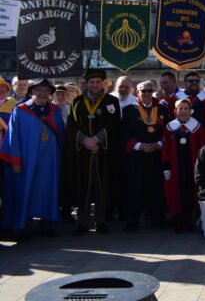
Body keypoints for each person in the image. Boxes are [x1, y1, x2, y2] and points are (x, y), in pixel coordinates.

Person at [0, 79, 65, 237]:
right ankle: (23, 225)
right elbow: (12, 138)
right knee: (25, 191)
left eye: (46, 90)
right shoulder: (20, 110)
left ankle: (48, 222)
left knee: (48, 190)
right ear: (31, 92)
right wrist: (15, 161)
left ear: (50, 93)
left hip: (50, 161)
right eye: (38, 90)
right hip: (26, 160)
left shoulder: (55, 110)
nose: (42, 93)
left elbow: (61, 136)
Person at [63, 69, 121, 236]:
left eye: (98, 82)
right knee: (82, 187)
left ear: (103, 83)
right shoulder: (77, 102)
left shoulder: (112, 101)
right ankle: (82, 222)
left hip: (103, 151)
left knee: (102, 186)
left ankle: (101, 221)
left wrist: (97, 140)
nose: (95, 85)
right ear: (86, 84)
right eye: (91, 82)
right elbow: (71, 126)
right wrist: (84, 140)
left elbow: (113, 124)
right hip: (82, 153)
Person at [120, 80, 167, 232]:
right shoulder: (129, 110)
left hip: (156, 154)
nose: (146, 94)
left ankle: (156, 218)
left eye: (149, 90)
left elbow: (168, 131)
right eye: (143, 91)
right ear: (137, 93)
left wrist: (159, 144)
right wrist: (139, 146)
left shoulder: (162, 109)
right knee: (135, 187)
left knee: (156, 186)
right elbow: (123, 132)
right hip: (136, 156)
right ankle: (133, 220)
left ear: (153, 91)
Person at [162, 98, 205, 233]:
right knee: (177, 192)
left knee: (190, 191)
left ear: (190, 111)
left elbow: (203, 147)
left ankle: (190, 219)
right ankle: (179, 219)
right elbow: (165, 148)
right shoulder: (170, 128)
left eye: (186, 108)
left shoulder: (197, 127)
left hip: (192, 166)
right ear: (175, 111)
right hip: (175, 167)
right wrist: (165, 166)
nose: (183, 111)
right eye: (180, 108)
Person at [177, 72, 205, 141]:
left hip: (203, 136)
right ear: (184, 83)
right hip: (180, 136)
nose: (194, 83)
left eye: (197, 81)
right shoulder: (177, 98)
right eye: (190, 81)